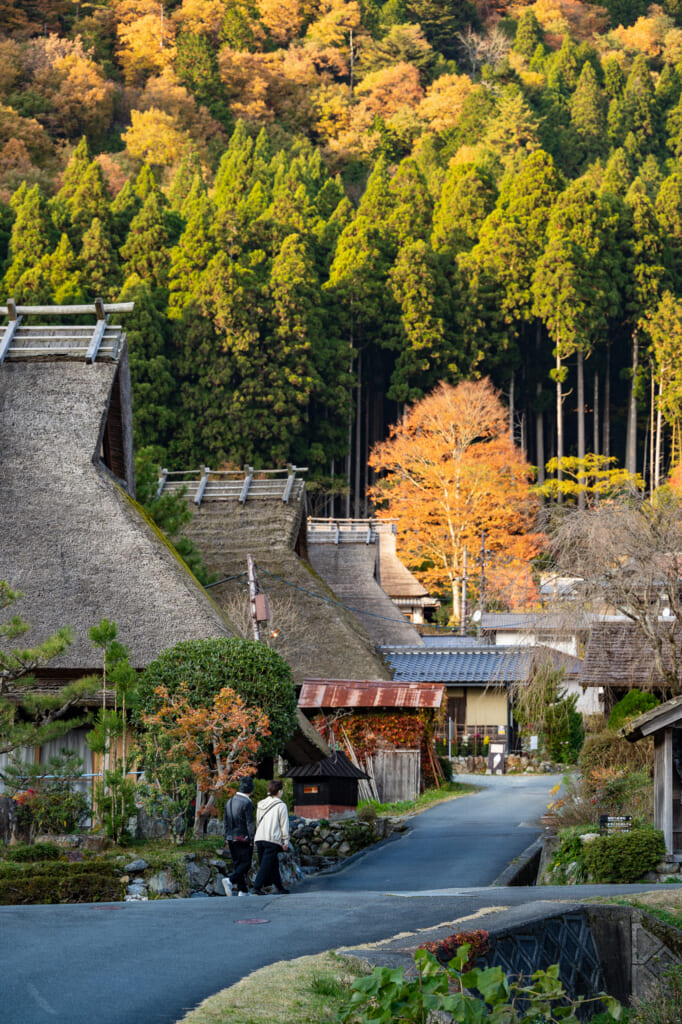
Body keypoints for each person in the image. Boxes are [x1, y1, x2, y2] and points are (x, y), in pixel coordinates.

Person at [252, 779, 290, 895]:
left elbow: (258, 821)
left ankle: (279, 887)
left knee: (272, 863)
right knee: (266, 864)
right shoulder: (281, 805)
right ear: (279, 791)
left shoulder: (260, 803)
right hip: (272, 838)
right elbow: (284, 824)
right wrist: (285, 841)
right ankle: (257, 887)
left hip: (259, 837)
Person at [222, 777, 256, 896]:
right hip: (243, 837)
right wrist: (252, 838)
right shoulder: (247, 802)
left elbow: (225, 821)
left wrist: (226, 836)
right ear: (250, 789)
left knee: (238, 863)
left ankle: (243, 890)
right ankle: (230, 880)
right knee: (246, 863)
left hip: (231, 837)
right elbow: (250, 823)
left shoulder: (229, 801)